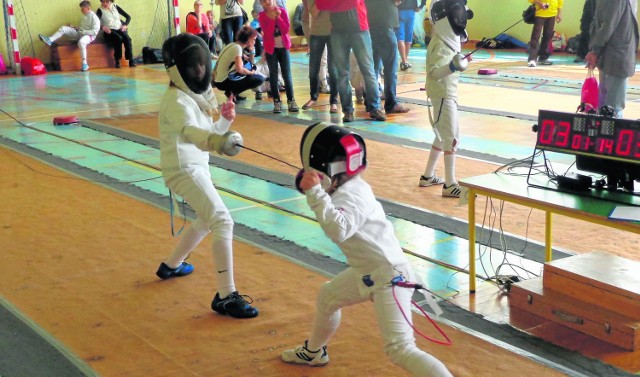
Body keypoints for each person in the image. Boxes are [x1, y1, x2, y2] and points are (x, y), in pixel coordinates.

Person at [282, 123, 453, 377]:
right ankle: (315, 351)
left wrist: (315, 193)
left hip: (389, 278)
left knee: (400, 348)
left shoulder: (353, 195)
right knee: (328, 296)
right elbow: (327, 197)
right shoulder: (344, 186)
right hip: (368, 271)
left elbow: (339, 229)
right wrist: (311, 186)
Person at [156, 33, 259, 319]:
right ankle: (226, 295)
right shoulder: (177, 101)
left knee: (207, 218)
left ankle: (172, 264)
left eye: (201, 65)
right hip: (182, 170)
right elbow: (192, 135)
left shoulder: (194, 96)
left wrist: (225, 120)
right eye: (194, 66)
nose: (200, 70)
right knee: (222, 220)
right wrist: (217, 141)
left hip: (196, 167)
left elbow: (209, 135)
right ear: (181, 69)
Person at [420, 0, 473, 198]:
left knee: (442, 135)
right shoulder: (440, 44)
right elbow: (434, 73)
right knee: (451, 138)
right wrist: (452, 66)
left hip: (447, 93)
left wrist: (460, 62)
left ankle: (427, 176)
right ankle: (450, 185)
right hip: (442, 95)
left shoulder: (446, 40)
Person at [316, 0, 387, 123]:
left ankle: (374, 108)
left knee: (368, 71)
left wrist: (334, 3)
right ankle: (347, 111)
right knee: (343, 74)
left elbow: (353, 2)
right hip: (337, 31)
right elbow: (321, 4)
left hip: (359, 28)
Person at [586, 0, 639, 118]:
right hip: (615, 57)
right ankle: (607, 135)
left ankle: (602, 134)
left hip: (616, 55)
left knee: (607, 107)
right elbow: (607, 26)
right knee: (612, 109)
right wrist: (594, 51)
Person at [364, 0, 410, 115]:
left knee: (372, 68)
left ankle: (371, 103)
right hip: (385, 23)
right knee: (390, 68)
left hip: (369, 23)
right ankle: (391, 103)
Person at [258, 0, 299, 113]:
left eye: (269, 0)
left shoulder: (282, 11)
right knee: (273, 75)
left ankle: (291, 100)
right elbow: (267, 32)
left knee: (287, 74)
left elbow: (285, 29)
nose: (267, 2)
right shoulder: (262, 16)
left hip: (284, 48)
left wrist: (279, 18)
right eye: (264, 1)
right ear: (261, 3)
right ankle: (277, 101)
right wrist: (272, 19)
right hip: (271, 49)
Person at [38, 1, 99, 72]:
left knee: (81, 42)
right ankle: (50, 40)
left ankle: (84, 64)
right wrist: (74, 27)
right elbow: (82, 28)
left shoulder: (95, 18)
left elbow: (94, 32)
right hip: (80, 33)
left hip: (89, 36)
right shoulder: (84, 16)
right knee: (63, 28)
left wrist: (83, 32)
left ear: (88, 8)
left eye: (82, 9)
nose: (81, 11)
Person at [301, 0, 338, 113]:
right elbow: (314, 12)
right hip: (316, 33)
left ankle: (334, 101)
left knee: (333, 69)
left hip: (334, 32)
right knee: (313, 68)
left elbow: (337, 8)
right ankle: (313, 97)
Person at [213, 26, 266, 100]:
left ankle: (233, 93)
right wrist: (251, 73)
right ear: (247, 40)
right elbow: (239, 69)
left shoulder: (232, 45)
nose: (254, 42)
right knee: (258, 79)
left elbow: (250, 63)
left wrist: (252, 52)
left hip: (218, 80)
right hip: (222, 82)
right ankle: (232, 93)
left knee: (248, 72)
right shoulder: (237, 48)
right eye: (253, 40)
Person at [96, 0, 136, 68]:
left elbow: (128, 17)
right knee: (118, 38)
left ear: (111, 1)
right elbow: (95, 23)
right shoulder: (100, 10)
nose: (105, 3)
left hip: (119, 29)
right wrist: (102, 27)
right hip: (109, 31)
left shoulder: (115, 6)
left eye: (107, 2)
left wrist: (125, 25)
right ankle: (117, 60)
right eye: (103, 2)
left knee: (127, 38)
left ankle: (131, 60)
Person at [526, 0, 563, 67]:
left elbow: (560, 1)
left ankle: (543, 58)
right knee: (535, 36)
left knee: (548, 36)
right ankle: (532, 59)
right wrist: (539, 3)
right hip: (540, 14)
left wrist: (559, 13)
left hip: (552, 14)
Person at [396, 0, 427, 71]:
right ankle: (405, 61)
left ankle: (404, 61)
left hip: (399, 10)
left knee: (400, 37)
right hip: (411, 11)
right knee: (408, 38)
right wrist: (421, 5)